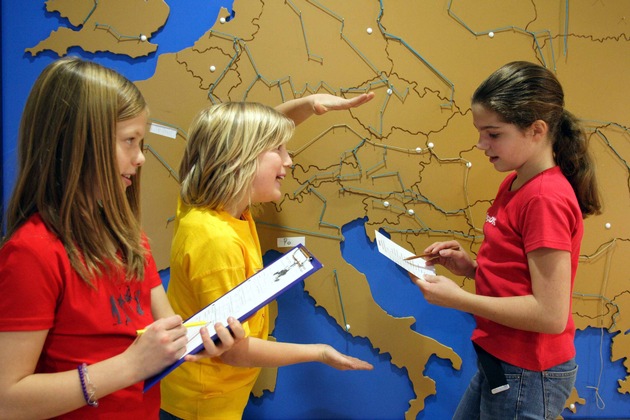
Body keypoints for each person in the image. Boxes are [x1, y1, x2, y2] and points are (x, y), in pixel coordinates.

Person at [0, 57, 245, 419]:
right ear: (78, 144)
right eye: (129, 141)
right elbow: (8, 399)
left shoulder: (128, 238)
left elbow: (168, 331)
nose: (141, 157)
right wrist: (130, 366)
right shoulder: (32, 252)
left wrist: (206, 338)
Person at [160, 95, 375, 420]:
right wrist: (319, 352)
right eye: (278, 150)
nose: (288, 161)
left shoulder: (207, 208)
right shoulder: (216, 242)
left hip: (206, 393)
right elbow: (234, 350)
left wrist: (308, 104)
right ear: (240, 160)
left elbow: (239, 137)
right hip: (202, 404)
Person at [410, 61, 601, 419]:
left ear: (536, 130)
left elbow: (549, 315)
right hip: (501, 360)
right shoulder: (514, 183)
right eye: (480, 131)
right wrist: (472, 269)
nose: (481, 144)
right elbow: (520, 277)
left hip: (529, 372)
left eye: (493, 134)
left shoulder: (545, 198)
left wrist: (462, 300)